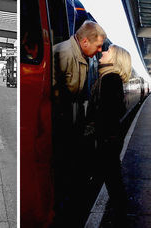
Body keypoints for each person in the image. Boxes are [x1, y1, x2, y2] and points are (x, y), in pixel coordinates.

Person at [51, 20, 106, 226]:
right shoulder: (63, 53)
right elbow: (50, 94)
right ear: (84, 41)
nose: (100, 50)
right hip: (58, 125)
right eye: (98, 46)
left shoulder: (81, 54)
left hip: (68, 121)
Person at [86, 44, 131, 227]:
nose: (103, 52)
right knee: (112, 178)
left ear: (115, 59)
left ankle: (120, 218)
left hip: (107, 138)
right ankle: (120, 215)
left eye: (108, 51)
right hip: (110, 136)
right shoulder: (109, 78)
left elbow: (111, 111)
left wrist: (94, 129)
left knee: (112, 179)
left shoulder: (110, 78)